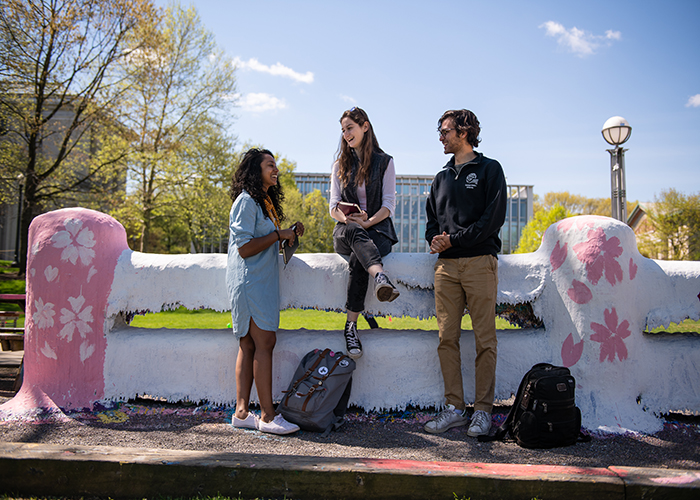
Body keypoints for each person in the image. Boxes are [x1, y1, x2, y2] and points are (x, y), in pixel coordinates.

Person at [423, 109, 507, 437]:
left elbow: (493, 218)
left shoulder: (489, 169)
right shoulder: (441, 178)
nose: (441, 137)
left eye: (445, 131)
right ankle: (455, 408)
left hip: (479, 263)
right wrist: (435, 239)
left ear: (464, 131)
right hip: (445, 268)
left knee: (485, 340)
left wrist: (454, 240)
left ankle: (483, 411)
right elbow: (432, 220)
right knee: (447, 339)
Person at [227, 148, 305, 435]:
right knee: (264, 342)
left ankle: (242, 413)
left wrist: (287, 235)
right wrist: (277, 235)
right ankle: (269, 417)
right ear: (254, 171)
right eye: (269, 165)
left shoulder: (263, 203)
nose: (275, 170)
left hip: (258, 280)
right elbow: (245, 248)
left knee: (249, 345)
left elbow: (263, 243)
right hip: (251, 282)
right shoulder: (246, 202)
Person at [329, 107, 400, 360]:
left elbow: (388, 205)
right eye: (343, 130)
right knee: (354, 235)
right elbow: (333, 206)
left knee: (360, 255)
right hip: (346, 230)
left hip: (377, 230)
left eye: (350, 128)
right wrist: (348, 218)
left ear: (365, 127)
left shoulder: (385, 162)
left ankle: (350, 327)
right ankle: (380, 277)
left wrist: (367, 222)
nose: (346, 134)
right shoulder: (339, 165)